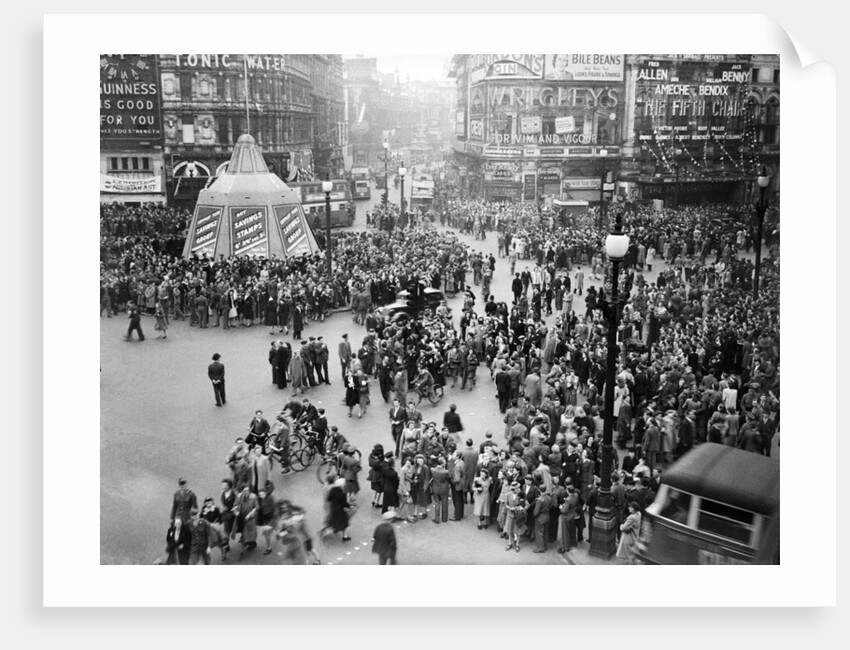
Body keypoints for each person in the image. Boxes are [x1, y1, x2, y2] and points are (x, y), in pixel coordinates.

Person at [321, 475, 352, 542]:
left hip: (333, 508)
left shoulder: (332, 490)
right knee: (344, 523)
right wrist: (349, 506)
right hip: (340, 511)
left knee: (335, 522)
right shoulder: (342, 494)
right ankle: (344, 536)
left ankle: (343, 535)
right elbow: (344, 504)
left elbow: (329, 499)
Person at [429, 456, 451, 524]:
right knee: (445, 504)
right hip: (444, 490)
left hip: (435, 489)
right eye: (444, 462)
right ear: (442, 464)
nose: (445, 463)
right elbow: (449, 479)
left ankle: (437, 519)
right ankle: (444, 519)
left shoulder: (432, 470)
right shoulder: (446, 472)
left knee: (437, 504)